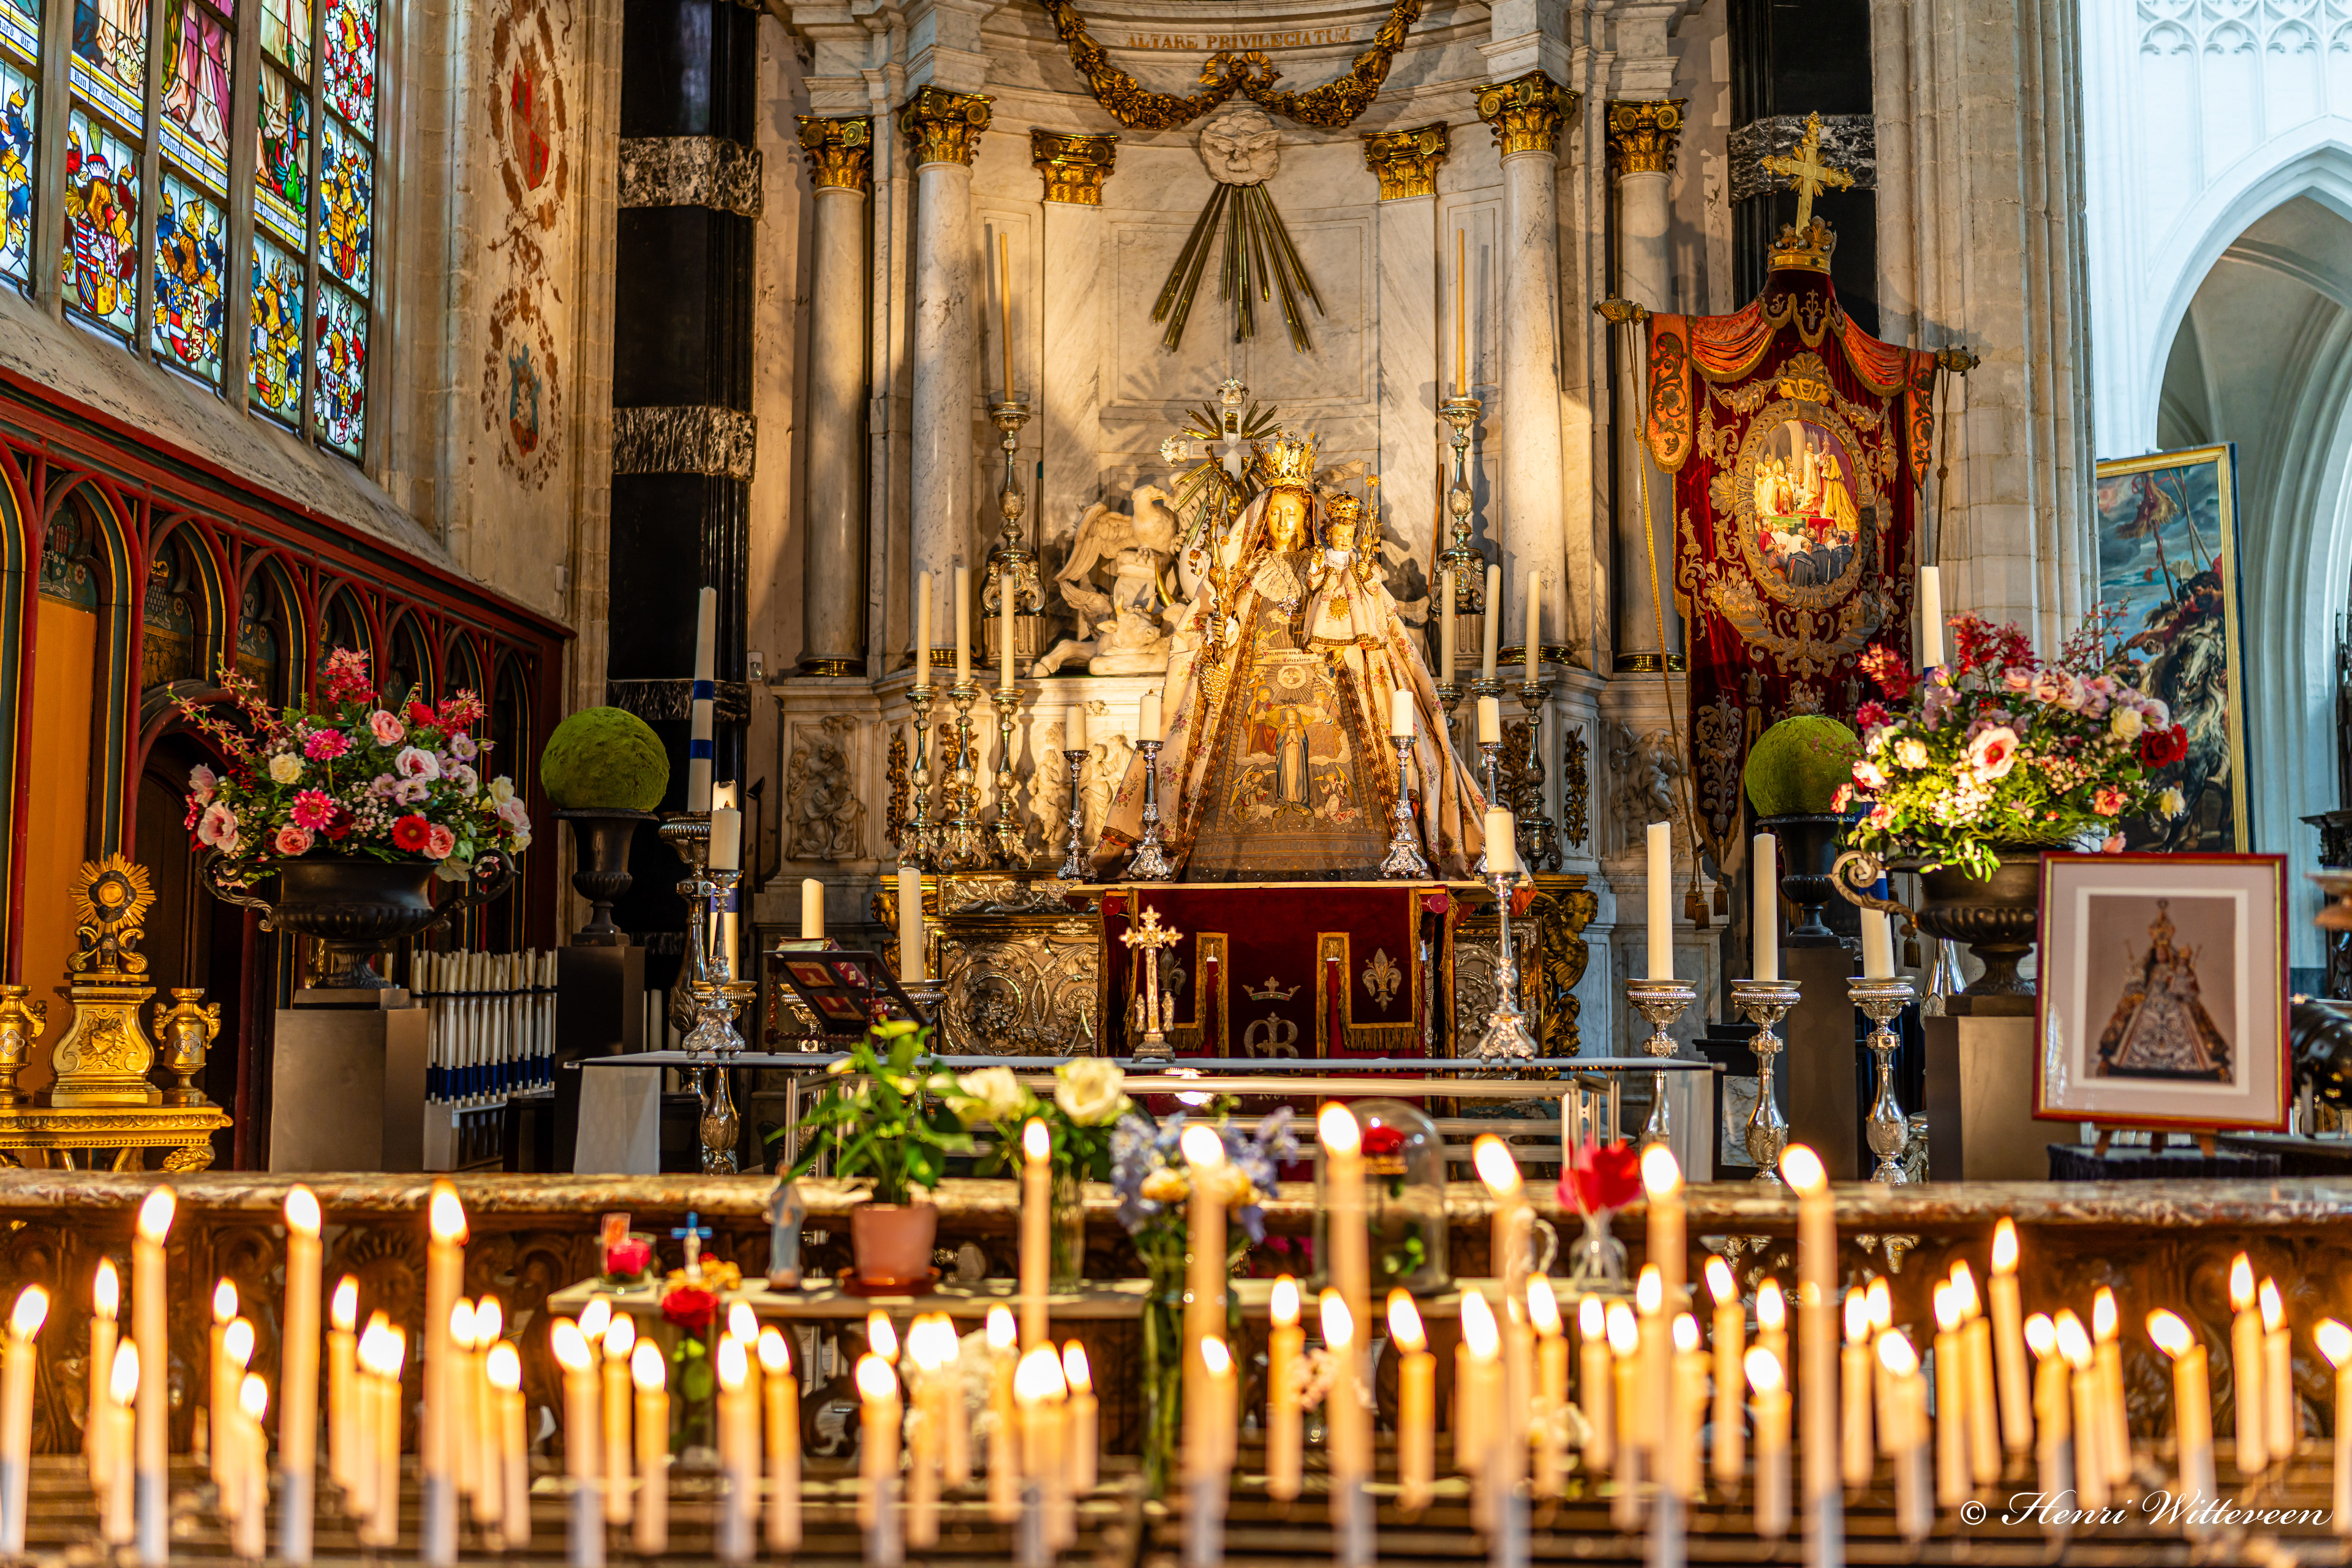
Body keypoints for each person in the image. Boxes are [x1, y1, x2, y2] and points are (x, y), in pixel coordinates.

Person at [1093, 430, 1487, 880]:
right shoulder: (1247, 573)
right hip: (1255, 701)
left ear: (1306, 519)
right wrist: (1220, 634)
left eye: (1292, 514)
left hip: (1327, 702)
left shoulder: (1325, 570)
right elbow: (1222, 632)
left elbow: (1358, 621)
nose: (1283, 523)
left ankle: (1371, 847)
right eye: (1276, 514)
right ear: (1263, 521)